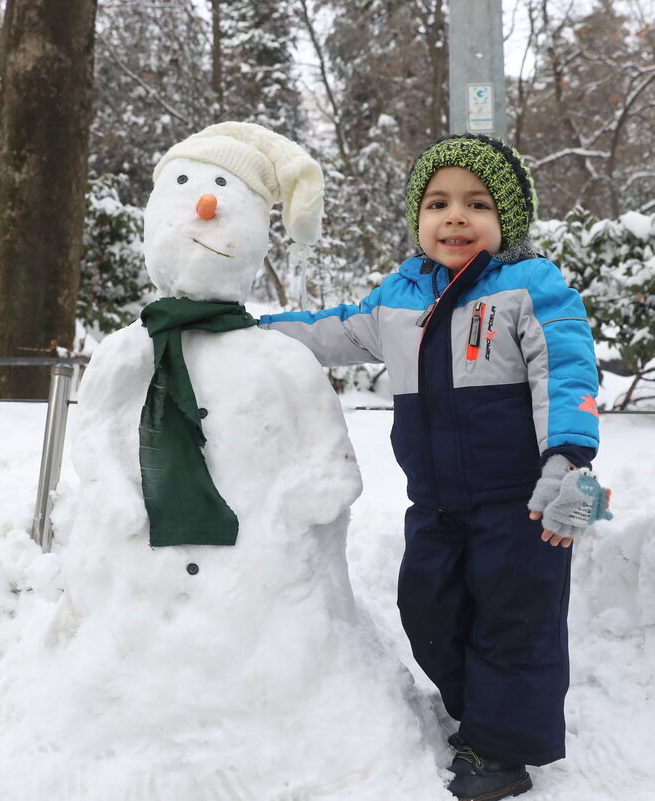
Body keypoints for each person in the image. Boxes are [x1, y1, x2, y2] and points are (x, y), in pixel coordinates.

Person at [259, 133, 611, 801]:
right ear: (418, 217)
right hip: (437, 502)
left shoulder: (529, 286)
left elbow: (569, 373)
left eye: (476, 204)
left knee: (517, 618)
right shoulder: (398, 297)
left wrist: (569, 466)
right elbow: (328, 329)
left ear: (506, 220)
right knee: (428, 607)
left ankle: (501, 749)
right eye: (438, 203)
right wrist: (243, 329)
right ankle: (478, 706)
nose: (454, 217)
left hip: (526, 499)